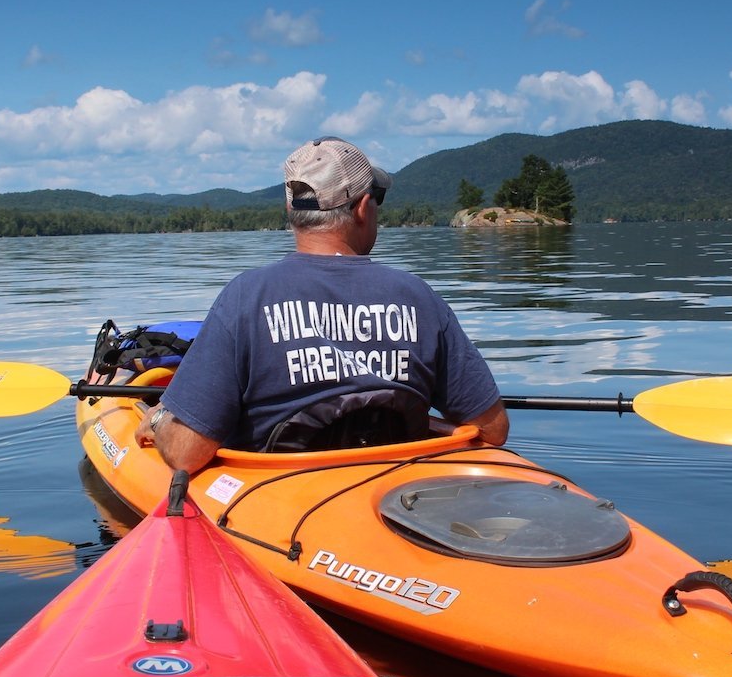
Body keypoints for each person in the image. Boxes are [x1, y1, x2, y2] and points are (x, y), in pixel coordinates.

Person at [144, 136, 509, 474]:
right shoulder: (420, 297)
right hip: (398, 494)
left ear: (290, 210)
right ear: (364, 208)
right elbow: (493, 429)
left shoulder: (245, 297)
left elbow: (187, 453)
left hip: (281, 509)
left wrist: (160, 420)